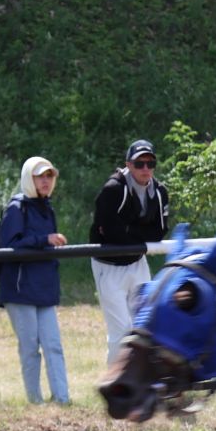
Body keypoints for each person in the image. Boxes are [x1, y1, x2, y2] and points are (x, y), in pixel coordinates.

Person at [0, 156, 70, 404]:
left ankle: (62, 398)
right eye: (40, 176)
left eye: (49, 176)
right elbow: (10, 245)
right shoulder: (17, 208)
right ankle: (35, 401)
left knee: (53, 345)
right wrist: (44, 239)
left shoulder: (48, 208)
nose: (46, 181)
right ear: (29, 178)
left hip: (44, 289)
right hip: (19, 289)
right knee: (30, 349)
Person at [89, 139, 171, 363]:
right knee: (122, 330)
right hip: (109, 265)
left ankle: (143, 380)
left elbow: (159, 232)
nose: (145, 168)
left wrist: (128, 231)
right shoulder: (113, 189)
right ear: (128, 164)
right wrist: (137, 232)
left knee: (146, 325)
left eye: (150, 163)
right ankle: (115, 386)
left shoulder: (160, 191)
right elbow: (108, 231)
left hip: (137, 262)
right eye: (139, 163)